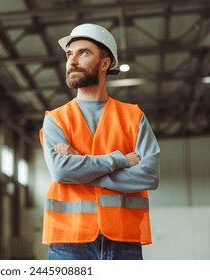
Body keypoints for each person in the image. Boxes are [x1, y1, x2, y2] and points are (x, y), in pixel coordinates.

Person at [39, 23, 160, 260]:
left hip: (123, 240)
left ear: (105, 63)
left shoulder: (133, 116)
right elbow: (62, 172)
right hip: (68, 241)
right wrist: (119, 160)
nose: (72, 61)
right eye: (69, 54)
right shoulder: (55, 119)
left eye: (83, 53)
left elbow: (149, 175)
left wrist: (82, 170)